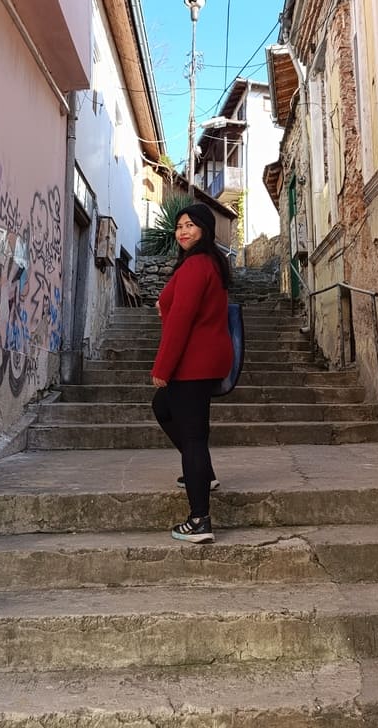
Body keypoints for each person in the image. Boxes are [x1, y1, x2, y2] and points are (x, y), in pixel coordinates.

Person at [151, 202, 232, 544]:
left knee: (194, 436)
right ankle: (204, 473)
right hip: (203, 359)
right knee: (163, 407)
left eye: (190, 225)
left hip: (192, 363)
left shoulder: (197, 265)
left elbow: (182, 320)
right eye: (179, 225)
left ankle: (199, 519)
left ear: (204, 230)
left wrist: (162, 367)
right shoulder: (205, 263)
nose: (182, 231)